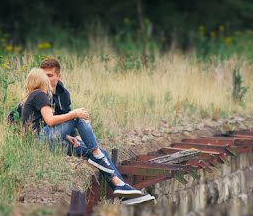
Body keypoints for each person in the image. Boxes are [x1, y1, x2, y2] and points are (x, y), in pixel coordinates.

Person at [18, 68, 153, 204]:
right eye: (46, 79)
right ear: (42, 82)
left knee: (94, 152)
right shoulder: (39, 95)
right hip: (44, 141)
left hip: (42, 144)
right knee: (79, 118)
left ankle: (120, 187)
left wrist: (66, 137)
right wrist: (74, 114)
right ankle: (97, 152)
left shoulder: (30, 97)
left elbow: (38, 126)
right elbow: (50, 121)